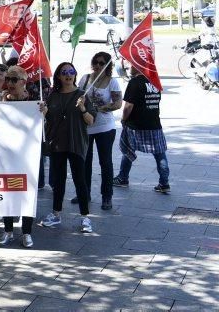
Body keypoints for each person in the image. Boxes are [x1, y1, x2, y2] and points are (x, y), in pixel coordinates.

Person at [39, 62, 97, 234]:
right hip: (57, 143)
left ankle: (85, 217)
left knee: (80, 180)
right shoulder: (53, 95)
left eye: (71, 71)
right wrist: (44, 110)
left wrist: (83, 108)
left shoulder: (82, 95)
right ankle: (56, 213)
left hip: (76, 143)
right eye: (64, 72)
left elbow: (90, 120)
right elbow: (48, 118)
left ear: (75, 74)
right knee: (59, 180)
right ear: (58, 76)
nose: (68, 74)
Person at [72, 52, 121, 210]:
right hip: (86, 127)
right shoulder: (85, 79)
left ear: (107, 66)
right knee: (84, 162)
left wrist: (100, 108)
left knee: (105, 162)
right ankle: (84, 193)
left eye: (101, 63)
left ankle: (107, 196)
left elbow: (118, 103)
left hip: (105, 127)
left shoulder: (112, 82)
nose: (98, 66)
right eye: (95, 62)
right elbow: (76, 96)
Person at [0, 66, 36, 248]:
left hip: (28, 157)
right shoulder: (1, 102)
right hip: (6, 156)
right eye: (7, 79)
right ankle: (8, 230)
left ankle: (26, 232)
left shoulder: (34, 102)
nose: (8, 83)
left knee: (28, 193)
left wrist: (44, 112)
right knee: (7, 192)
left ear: (23, 82)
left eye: (13, 80)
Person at [113, 66, 170, 193]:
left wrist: (123, 119)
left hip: (135, 124)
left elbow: (128, 106)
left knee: (128, 150)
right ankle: (164, 182)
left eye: (132, 65)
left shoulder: (134, 82)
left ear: (138, 66)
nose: (129, 67)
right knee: (160, 153)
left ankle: (123, 178)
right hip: (154, 123)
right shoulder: (155, 81)